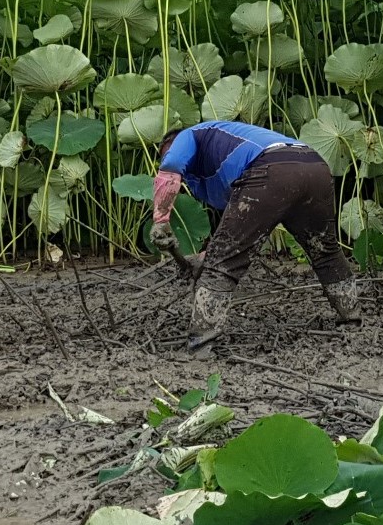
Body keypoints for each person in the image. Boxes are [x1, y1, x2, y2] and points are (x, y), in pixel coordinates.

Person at [149, 120, 357, 352]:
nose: (163, 161)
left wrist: (160, 220)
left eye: (163, 153)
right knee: (325, 251)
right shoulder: (223, 157)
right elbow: (248, 228)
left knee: (221, 266)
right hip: (314, 165)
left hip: (271, 167)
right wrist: (207, 255)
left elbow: (172, 163)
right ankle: (353, 320)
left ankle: (200, 345)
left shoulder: (190, 135)